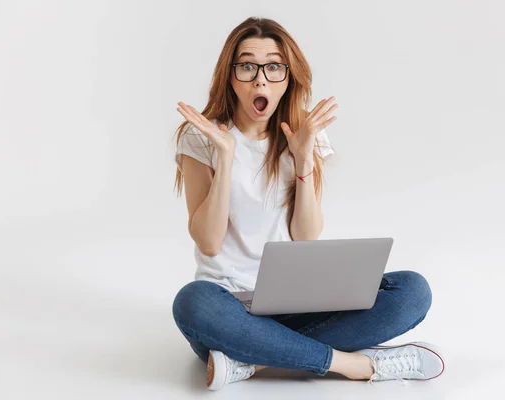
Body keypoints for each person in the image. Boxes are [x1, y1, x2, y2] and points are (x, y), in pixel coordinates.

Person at [171, 17, 445, 391]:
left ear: (288, 76)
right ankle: (355, 365)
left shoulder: (306, 136)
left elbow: (305, 236)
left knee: (413, 291)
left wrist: (302, 161)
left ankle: (254, 362)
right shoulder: (202, 137)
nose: (260, 79)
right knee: (192, 303)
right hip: (229, 310)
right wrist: (227, 157)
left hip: (298, 305)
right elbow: (208, 242)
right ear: (230, 75)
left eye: (274, 67)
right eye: (248, 66)